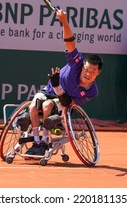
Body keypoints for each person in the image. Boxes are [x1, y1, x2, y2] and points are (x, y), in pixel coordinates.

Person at [21, 9, 103, 156]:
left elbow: (69, 102)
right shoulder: (76, 62)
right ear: (82, 66)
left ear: (98, 73)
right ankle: (36, 140)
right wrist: (64, 22)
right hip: (48, 91)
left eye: (93, 72)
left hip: (63, 103)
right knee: (34, 105)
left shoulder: (92, 91)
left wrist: (57, 85)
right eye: (87, 69)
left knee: (46, 105)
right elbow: (70, 42)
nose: (88, 74)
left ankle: (45, 141)